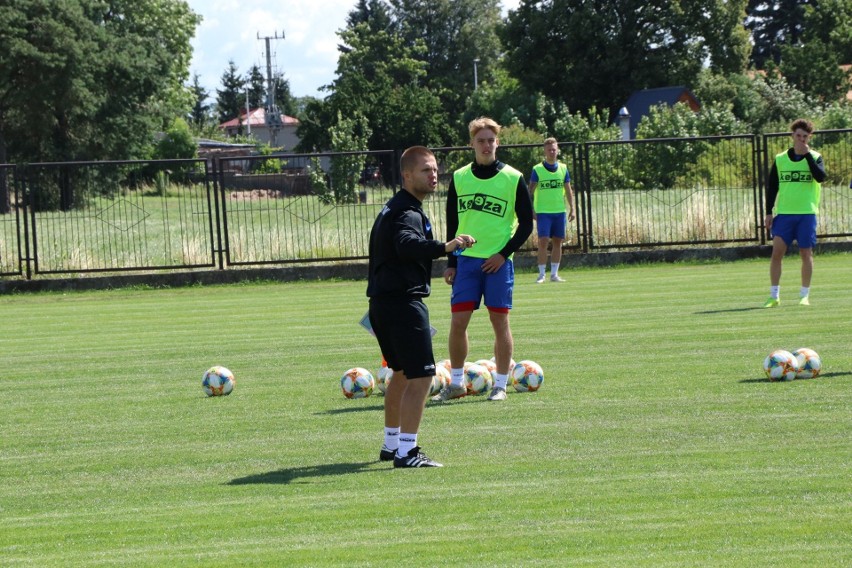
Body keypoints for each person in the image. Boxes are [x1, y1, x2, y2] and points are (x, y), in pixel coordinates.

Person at [367, 146, 475, 467]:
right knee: (423, 377)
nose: (434, 175)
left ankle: (390, 446)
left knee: (400, 375)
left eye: (435, 169)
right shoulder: (407, 211)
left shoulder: (398, 207)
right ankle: (408, 452)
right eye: (426, 169)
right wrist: (447, 246)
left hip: (383, 304)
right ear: (407, 175)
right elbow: (406, 245)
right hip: (403, 305)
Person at [432, 117, 534, 402]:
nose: (486, 145)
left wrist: (503, 254)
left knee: (500, 322)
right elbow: (452, 221)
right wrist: (451, 262)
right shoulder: (460, 177)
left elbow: (526, 224)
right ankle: (456, 384)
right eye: (481, 140)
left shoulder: (513, 177)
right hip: (465, 262)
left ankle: (500, 384)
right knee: (458, 322)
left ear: (497, 142)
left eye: (491, 140)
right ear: (472, 144)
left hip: (498, 264)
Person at [763, 118, 827, 308]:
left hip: (806, 213)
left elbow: (821, 177)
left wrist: (807, 156)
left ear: (809, 137)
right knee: (777, 253)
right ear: (792, 136)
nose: (801, 139)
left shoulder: (815, 157)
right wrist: (768, 212)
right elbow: (772, 186)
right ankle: (774, 296)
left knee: (805, 253)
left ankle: (804, 295)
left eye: (804, 137)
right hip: (784, 214)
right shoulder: (781, 159)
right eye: (798, 136)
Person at [529, 137, 576, 283]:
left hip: (559, 211)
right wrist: (531, 210)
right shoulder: (537, 170)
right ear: (545, 151)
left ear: (558, 150)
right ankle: (542, 274)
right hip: (543, 212)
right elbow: (528, 192)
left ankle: (554, 274)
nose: (552, 152)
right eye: (549, 149)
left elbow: (568, 190)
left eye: (554, 149)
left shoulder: (563, 168)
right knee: (543, 241)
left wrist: (572, 208)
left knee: (558, 241)